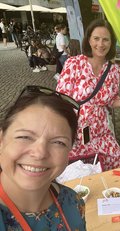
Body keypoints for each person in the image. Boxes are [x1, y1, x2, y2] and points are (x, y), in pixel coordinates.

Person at [56, 19, 120, 171]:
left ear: (111, 42)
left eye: (105, 39)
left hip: (101, 133)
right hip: (74, 135)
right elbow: (60, 101)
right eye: (96, 38)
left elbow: (109, 101)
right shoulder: (74, 64)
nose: (101, 44)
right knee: (80, 175)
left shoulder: (114, 70)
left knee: (118, 164)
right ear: (89, 40)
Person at [0, 85, 86, 230]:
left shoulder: (74, 202)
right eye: (24, 137)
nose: (39, 153)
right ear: (1, 140)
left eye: (58, 142)